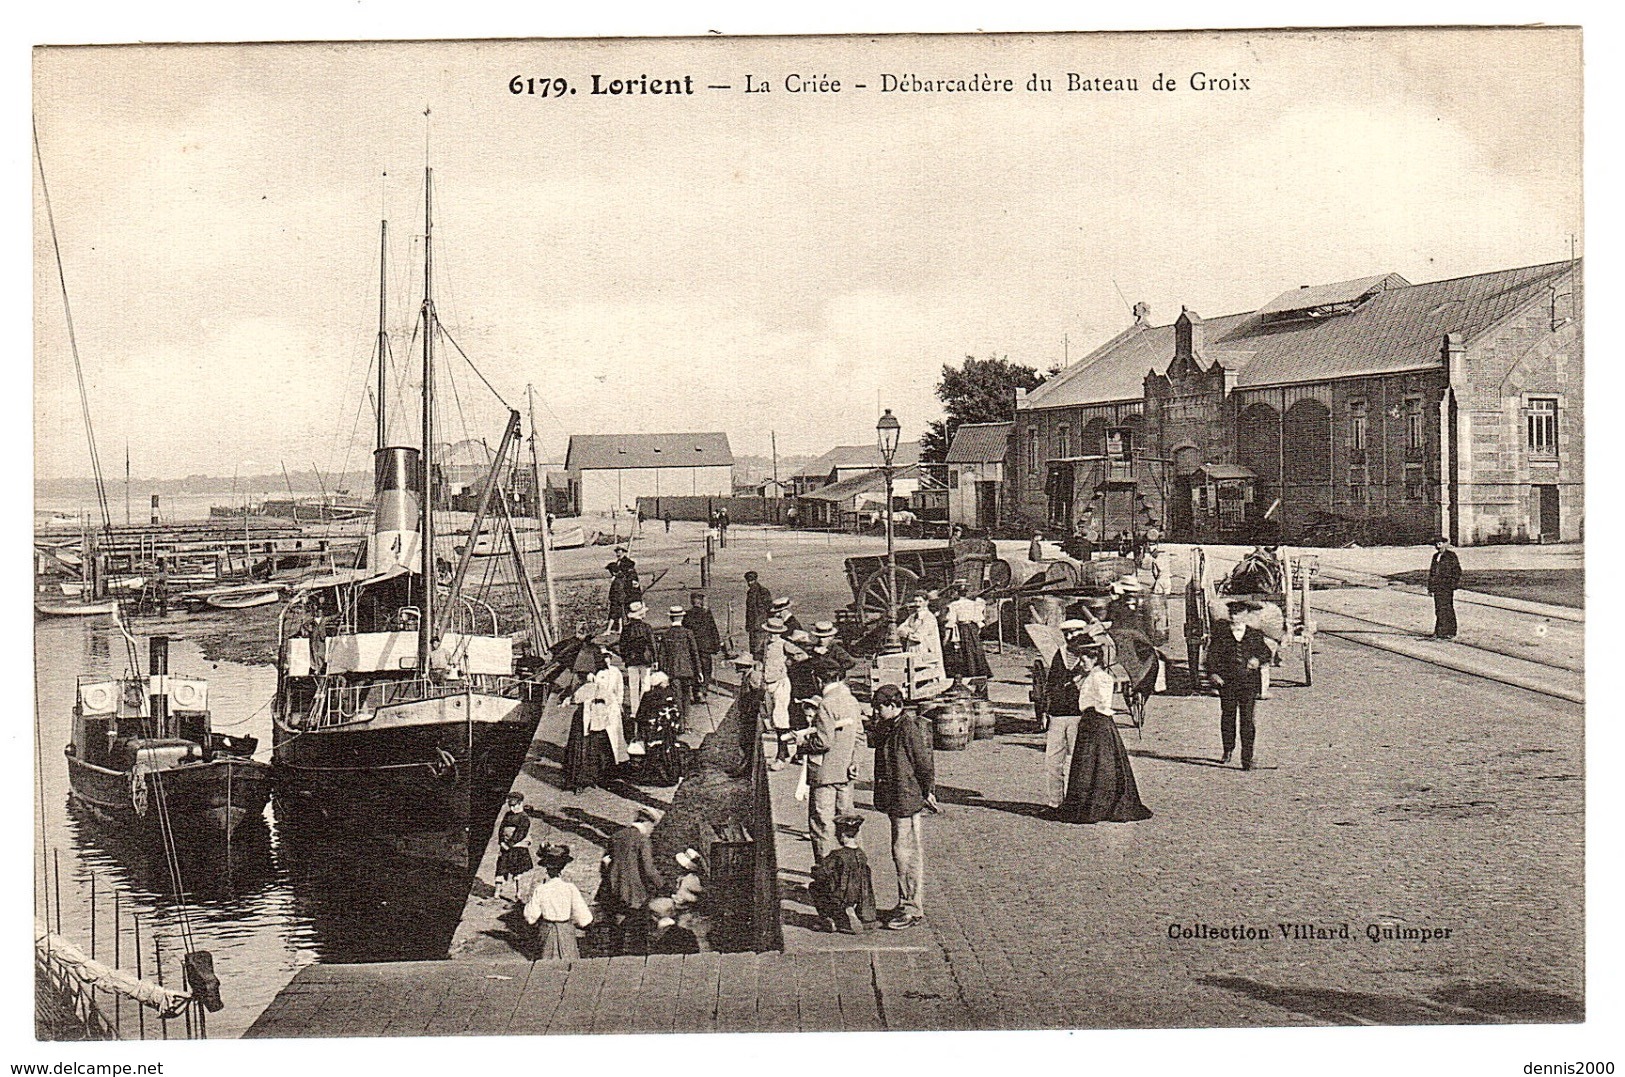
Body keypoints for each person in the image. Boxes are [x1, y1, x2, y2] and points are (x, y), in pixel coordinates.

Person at [1059, 641, 1153, 823]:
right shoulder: (1090, 677)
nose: (1081, 663)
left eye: (1084, 659)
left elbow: (1103, 703)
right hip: (1089, 722)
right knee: (1088, 765)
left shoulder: (1101, 677)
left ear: (1095, 659)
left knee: (1099, 764)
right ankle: (1087, 803)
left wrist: (1087, 694)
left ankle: (1099, 805)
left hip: (1098, 722)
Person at [867, 684, 934, 930]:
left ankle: (912, 908)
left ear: (894, 706)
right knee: (900, 852)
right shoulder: (889, 726)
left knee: (906, 853)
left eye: (879, 708)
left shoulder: (908, 729)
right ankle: (905, 901)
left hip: (906, 799)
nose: (876, 713)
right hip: (897, 798)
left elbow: (923, 764)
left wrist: (926, 792)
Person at [803, 663, 861, 863]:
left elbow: (823, 742)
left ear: (818, 680)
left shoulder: (826, 704)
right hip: (845, 772)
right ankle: (851, 868)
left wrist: (803, 742)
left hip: (824, 775)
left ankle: (826, 875)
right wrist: (855, 761)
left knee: (823, 825)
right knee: (847, 823)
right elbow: (859, 735)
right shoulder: (851, 701)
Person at [1206, 601, 1274, 770]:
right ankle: (1228, 749)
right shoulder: (1221, 634)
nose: (1234, 617)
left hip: (1248, 683)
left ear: (1245, 615)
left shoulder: (1255, 634)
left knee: (1247, 720)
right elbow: (1211, 657)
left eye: (1237, 614)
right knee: (1228, 717)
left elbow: (1266, 652)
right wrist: (1213, 674)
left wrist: (1257, 660)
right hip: (1227, 683)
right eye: (1231, 614)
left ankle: (1247, 758)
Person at [597, 807, 666, 956]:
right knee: (639, 932)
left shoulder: (616, 836)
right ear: (647, 823)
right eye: (652, 828)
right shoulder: (642, 840)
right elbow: (649, 870)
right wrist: (663, 886)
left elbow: (604, 864)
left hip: (613, 891)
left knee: (616, 931)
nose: (651, 831)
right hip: (635, 894)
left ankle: (614, 959)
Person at [1042, 624, 1092, 813]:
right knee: (1052, 761)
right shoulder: (1060, 653)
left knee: (1077, 762)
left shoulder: (1090, 656)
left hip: (1079, 716)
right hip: (1058, 714)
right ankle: (1055, 802)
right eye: (1066, 633)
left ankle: (1077, 805)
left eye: (1074, 632)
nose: (1070, 636)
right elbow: (1052, 681)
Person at [566, 638, 627, 791]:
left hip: (602, 714)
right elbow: (576, 697)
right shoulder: (584, 678)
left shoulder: (611, 674)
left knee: (603, 744)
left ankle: (604, 773)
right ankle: (582, 778)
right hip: (586, 715)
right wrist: (586, 687)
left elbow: (612, 695)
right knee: (584, 747)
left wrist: (601, 693)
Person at [807, 814, 878, 934]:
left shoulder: (837, 855)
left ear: (843, 835)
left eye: (837, 833)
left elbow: (821, 873)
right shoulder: (861, 855)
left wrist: (815, 871)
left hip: (839, 895)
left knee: (814, 887)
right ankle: (854, 913)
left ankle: (829, 919)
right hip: (857, 895)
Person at [524, 844, 594, 961]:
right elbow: (583, 916)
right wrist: (585, 923)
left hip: (547, 932)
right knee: (569, 962)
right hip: (566, 931)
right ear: (562, 870)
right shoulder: (570, 888)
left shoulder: (541, 889)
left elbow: (530, 916)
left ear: (547, 870)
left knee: (546, 962)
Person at [632, 670, 684, 785]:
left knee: (655, 753)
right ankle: (670, 775)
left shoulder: (648, 695)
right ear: (660, 683)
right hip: (665, 730)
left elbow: (640, 715)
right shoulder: (669, 694)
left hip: (652, 731)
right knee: (669, 753)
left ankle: (655, 775)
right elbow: (676, 711)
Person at [759, 617, 797, 769]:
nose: (772, 635)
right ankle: (786, 751)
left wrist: (788, 663)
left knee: (780, 717)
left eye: (775, 633)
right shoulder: (766, 644)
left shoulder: (784, 644)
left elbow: (801, 655)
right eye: (770, 632)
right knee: (772, 719)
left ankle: (780, 757)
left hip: (781, 683)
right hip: (769, 684)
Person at [657, 605, 704, 721]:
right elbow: (694, 653)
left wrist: (662, 673)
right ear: (682, 618)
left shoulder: (666, 634)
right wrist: (699, 671)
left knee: (676, 697)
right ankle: (686, 721)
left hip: (672, 671)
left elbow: (661, 656)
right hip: (687, 670)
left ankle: (679, 722)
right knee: (686, 696)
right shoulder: (688, 633)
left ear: (671, 618)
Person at [944, 582, 992, 692]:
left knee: (961, 652)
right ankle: (977, 673)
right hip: (971, 629)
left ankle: (965, 676)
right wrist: (976, 632)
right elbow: (979, 620)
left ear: (956, 592)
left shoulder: (953, 605)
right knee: (975, 651)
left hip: (961, 629)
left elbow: (951, 621)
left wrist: (946, 638)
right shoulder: (973, 604)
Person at [619, 601, 657, 717]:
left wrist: (625, 658)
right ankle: (644, 709)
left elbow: (622, 645)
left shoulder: (626, 629)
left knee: (633, 686)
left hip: (631, 660)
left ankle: (634, 711)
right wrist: (655, 659)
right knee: (645, 684)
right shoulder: (647, 627)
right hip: (645, 659)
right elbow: (652, 644)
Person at [896, 592, 944, 683]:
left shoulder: (929, 618)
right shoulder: (912, 617)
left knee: (926, 672)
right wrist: (909, 632)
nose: (917, 604)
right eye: (915, 601)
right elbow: (899, 630)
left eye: (920, 601)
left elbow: (918, 637)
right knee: (913, 672)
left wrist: (908, 631)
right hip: (912, 649)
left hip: (925, 649)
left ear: (926, 602)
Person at [494, 792, 533, 900]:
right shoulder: (508, 814)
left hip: (517, 848)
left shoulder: (524, 818)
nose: (512, 808)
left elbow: (521, 833)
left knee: (517, 871)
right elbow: (501, 828)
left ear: (520, 803)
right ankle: (497, 891)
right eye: (510, 806)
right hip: (505, 846)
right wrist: (501, 841)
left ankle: (518, 893)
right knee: (501, 868)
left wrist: (509, 844)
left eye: (514, 805)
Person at [685, 592, 722, 703]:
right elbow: (713, 630)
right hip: (705, 647)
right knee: (706, 669)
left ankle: (696, 691)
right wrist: (716, 646)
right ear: (700, 602)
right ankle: (703, 690)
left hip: (693, 647)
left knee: (696, 669)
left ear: (692, 602)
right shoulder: (707, 613)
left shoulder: (687, 615)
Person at [1428, 535, 1461, 640]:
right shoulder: (1435, 556)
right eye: (1436, 544)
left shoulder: (1451, 556)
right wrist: (1430, 587)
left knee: (1447, 607)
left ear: (1445, 544)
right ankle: (1439, 631)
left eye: (1440, 544)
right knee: (1438, 608)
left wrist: (1453, 583)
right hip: (1437, 586)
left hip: (1446, 586)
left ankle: (1450, 631)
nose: (1438, 546)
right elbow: (1432, 573)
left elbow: (1457, 571)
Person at [745, 570, 773, 658]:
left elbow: (769, 608)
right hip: (754, 625)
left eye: (751, 581)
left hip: (761, 625)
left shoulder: (763, 591)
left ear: (755, 580)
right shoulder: (751, 592)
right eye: (748, 581)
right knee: (754, 648)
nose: (749, 583)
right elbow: (749, 611)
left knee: (760, 648)